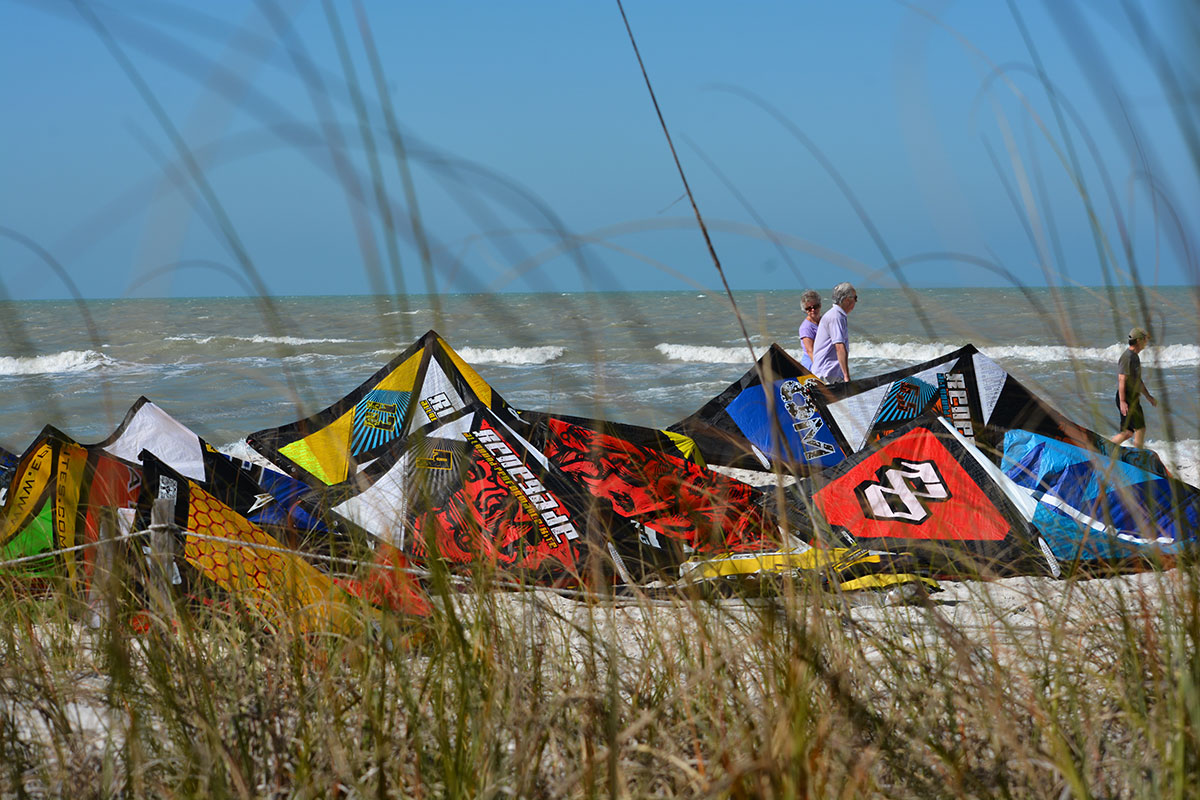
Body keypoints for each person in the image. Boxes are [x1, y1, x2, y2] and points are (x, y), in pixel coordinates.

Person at [1110, 326, 1157, 449]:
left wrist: (1148, 397)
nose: (1146, 342)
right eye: (1145, 339)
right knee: (1140, 429)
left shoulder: (1135, 357)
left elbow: (1138, 381)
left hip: (1132, 397)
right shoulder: (1127, 357)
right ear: (1138, 341)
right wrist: (1122, 401)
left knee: (1127, 432)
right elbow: (1122, 379)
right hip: (1127, 398)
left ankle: (1106, 449)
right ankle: (1138, 456)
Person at [810, 282, 858, 382]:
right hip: (826, 374)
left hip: (829, 373)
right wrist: (846, 377)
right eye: (855, 298)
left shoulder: (838, 315)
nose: (856, 301)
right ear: (847, 300)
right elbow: (839, 347)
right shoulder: (836, 317)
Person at [797, 290, 822, 370]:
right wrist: (820, 369)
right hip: (812, 363)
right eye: (809, 308)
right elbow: (810, 351)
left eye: (815, 307)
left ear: (820, 305)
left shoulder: (824, 321)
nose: (813, 310)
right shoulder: (806, 327)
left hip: (823, 360)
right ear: (805, 310)